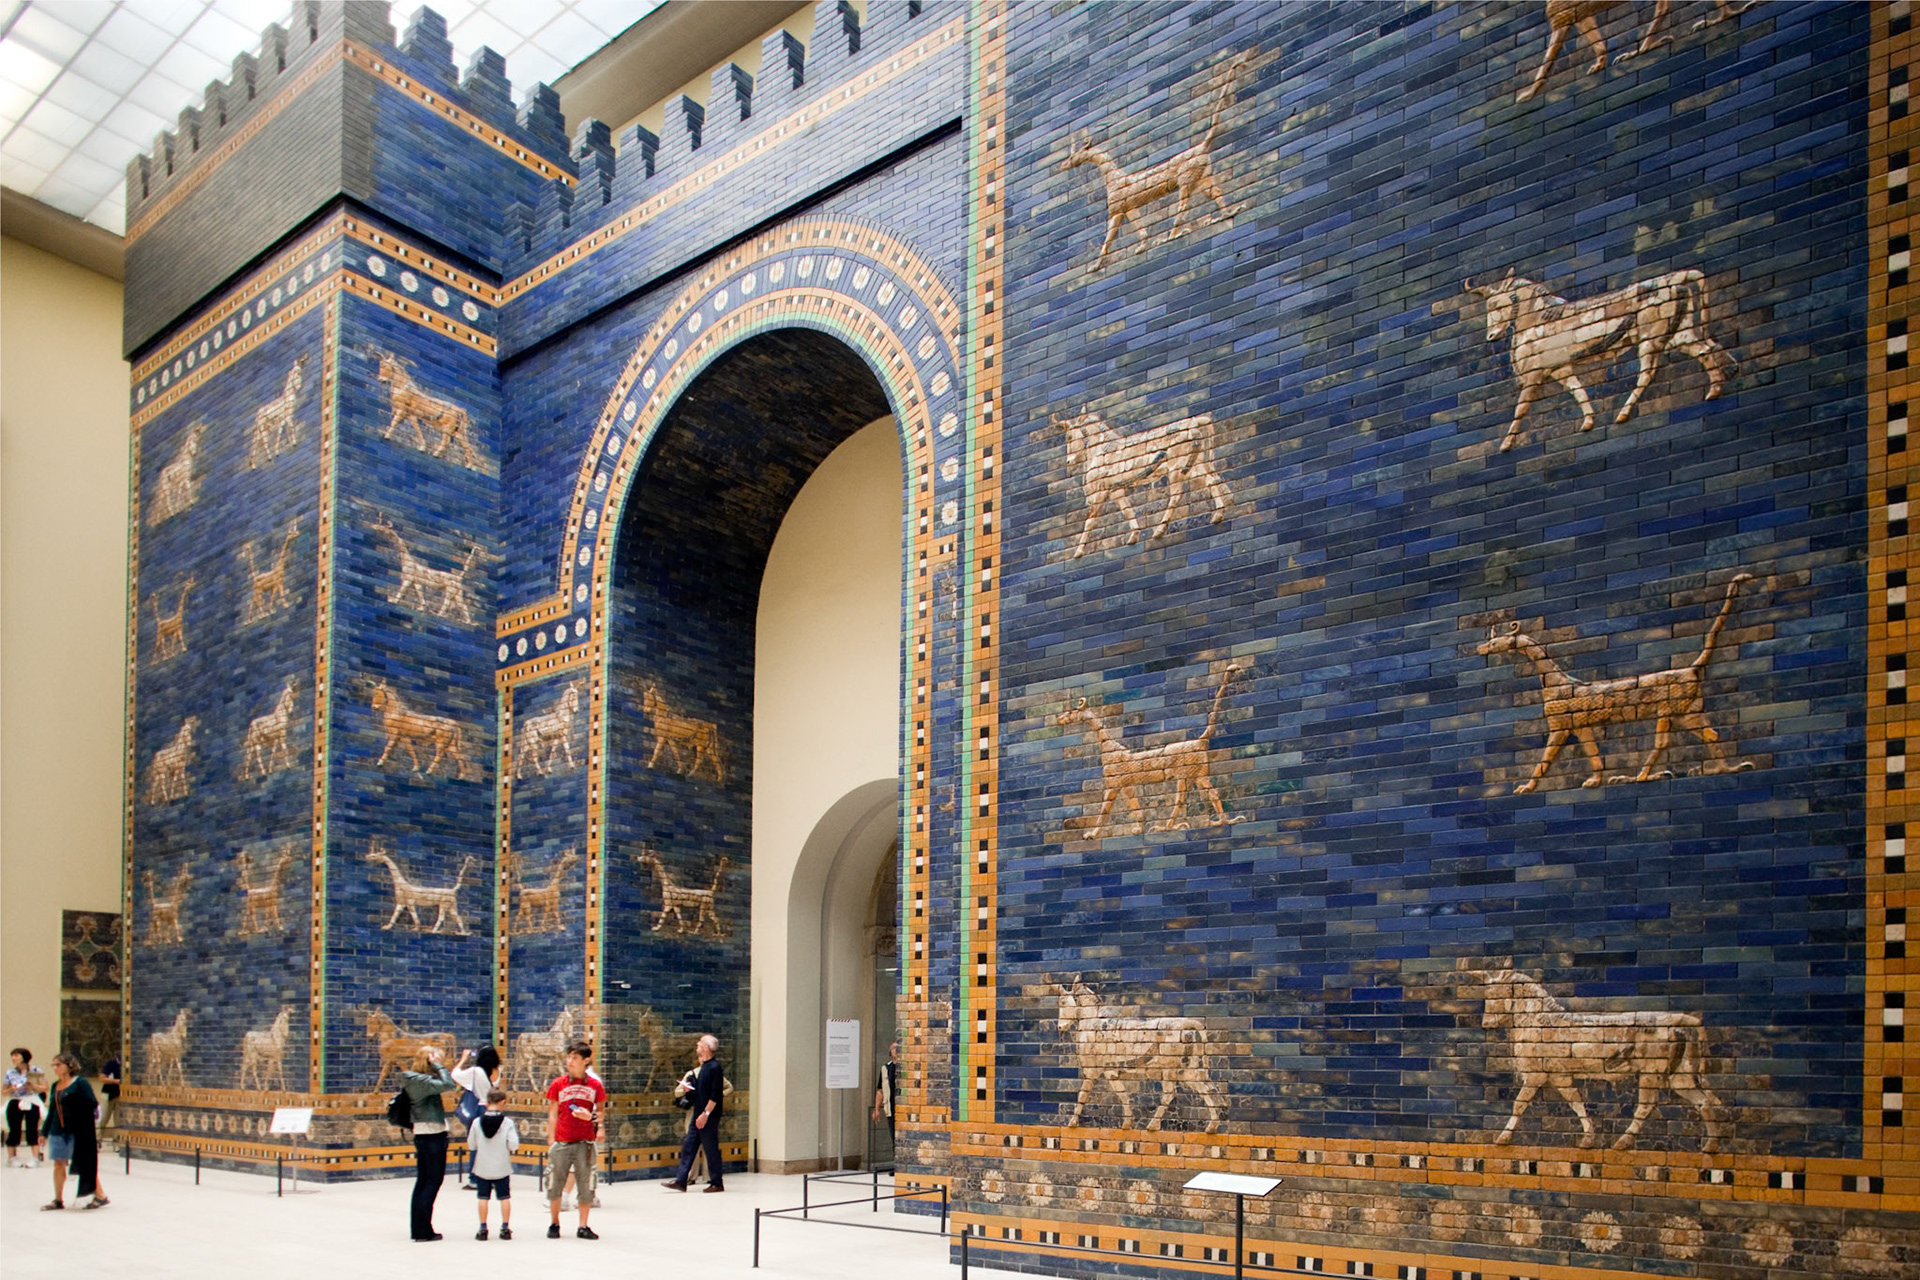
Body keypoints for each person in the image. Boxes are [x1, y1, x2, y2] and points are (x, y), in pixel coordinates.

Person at [544, 1041, 605, 1239]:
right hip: (562, 1140)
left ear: (585, 1061)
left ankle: (583, 1225)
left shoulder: (595, 1085)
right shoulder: (558, 1084)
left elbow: (601, 1111)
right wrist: (551, 1139)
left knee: (586, 1183)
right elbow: (553, 1113)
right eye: (568, 1057)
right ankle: (554, 1223)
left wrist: (593, 1119)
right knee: (555, 1182)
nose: (569, 1061)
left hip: (584, 1142)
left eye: (575, 1058)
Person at [399, 1045, 457, 1241]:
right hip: (432, 1135)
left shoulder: (416, 1079)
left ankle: (419, 1228)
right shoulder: (420, 1080)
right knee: (431, 1182)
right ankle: (423, 1230)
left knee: (424, 1182)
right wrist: (439, 1066)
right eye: (437, 1060)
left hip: (424, 1135)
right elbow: (449, 1084)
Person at [42, 1052, 106, 1211]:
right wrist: (43, 1132)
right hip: (58, 1130)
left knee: (84, 1164)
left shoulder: (80, 1083)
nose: (55, 1068)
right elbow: (52, 1111)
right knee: (58, 1164)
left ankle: (100, 1195)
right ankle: (58, 1199)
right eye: (53, 1065)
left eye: (58, 1065)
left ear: (68, 1066)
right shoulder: (55, 1086)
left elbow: (91, 1104)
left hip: (77, 1131)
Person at [664, 1034, 725, 1193]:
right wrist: (689, 1089)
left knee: (710, 1149)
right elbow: (702, 1091)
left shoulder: (715, 1067)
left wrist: (705, 1114)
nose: (697, 1045)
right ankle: (681, 1180)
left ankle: (717, 1182)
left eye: (700, 1043)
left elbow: (715, 1095)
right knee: (689, 1146)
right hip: (698, 1115)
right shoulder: (704, 1067)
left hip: (707, 1116)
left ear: (706, 1047)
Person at [467, 1088, 519, 1240]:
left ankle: (483, 1229)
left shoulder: (477, 1122)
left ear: (487, 1102)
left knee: (483, 1197)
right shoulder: (507, 1123)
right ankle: (505, 1228)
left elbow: (471, 1145)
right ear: (502, 1102)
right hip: (501, 1166)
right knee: (504, 1197)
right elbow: (513, 1145)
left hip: (482, 1166)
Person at [451, 1046, 501, 1189]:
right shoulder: (498, 1071)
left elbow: (455, 1074)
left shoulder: (476, 1071)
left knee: (476, 1145)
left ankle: (475, 1179)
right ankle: (491, 1177)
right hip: (493, 1109)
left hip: (479, 1109)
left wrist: (464, 1059)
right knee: (491, 1145)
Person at [6, 1048, 43, 1168]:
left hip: (31, 1100)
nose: (14, 1058)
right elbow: (4, 1090)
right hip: (15, 1100)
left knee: (32, 1129)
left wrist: (33, 1086)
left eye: (16, 1055)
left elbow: (44, 1087)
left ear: (24, 1057)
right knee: (14, 1129)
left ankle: (35, 1157)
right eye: (12, 1056)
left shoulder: (36, 1071)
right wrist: (12, 1089)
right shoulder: (10, 1073)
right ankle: (12, 1158)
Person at [871, 1039, 900, 1140]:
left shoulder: (906, 1067)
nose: (896, 1050)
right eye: (894, 1048)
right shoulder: (886, 1068)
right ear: (890, 1052)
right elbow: (880, 1090)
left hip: (903, 1109)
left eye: (898, 1048)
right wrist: (877, 1109)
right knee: (894, 1138)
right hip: (891, 1108)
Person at [97, 1055, 121, 1144]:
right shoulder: (111, 1063)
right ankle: (98, 1138)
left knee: (119, 1119)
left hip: (121, 1095)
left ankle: (117, 1139)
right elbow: (102, 1078)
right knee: (103, 1117)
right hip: (108, 1094)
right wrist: (117, 1081)